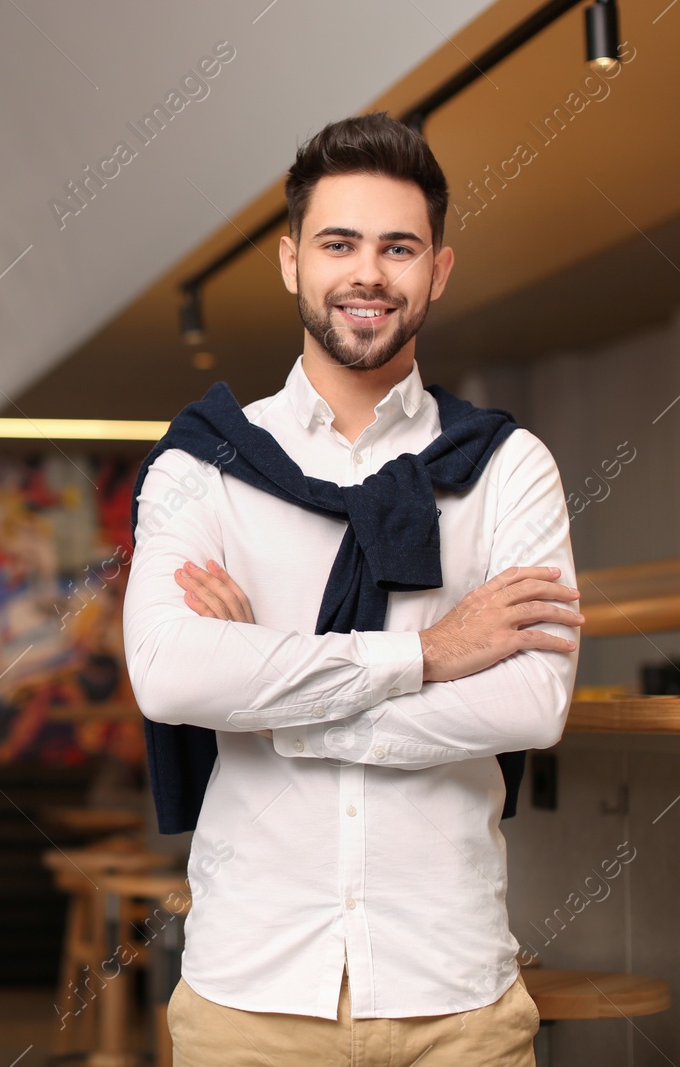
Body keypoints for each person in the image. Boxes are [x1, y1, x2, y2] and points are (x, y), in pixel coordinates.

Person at [122, 112, 583, 1065]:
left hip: (455, 992)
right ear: (292, 261)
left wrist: (271, 699)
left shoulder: (506, 467)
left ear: (437, 271)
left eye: (398, 247)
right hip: (251, 995)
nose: (368, 273)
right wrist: (428, 654)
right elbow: (171, 675)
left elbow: (533, 702)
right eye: (340, 243)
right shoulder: (205, 466)